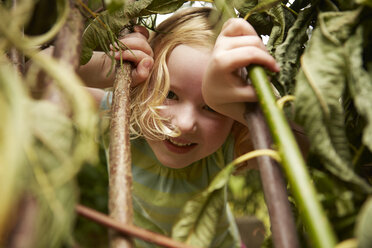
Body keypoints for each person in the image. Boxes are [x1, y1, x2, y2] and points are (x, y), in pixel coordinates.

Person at [79, 7, 279, 248]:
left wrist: (236, 105)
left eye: (212, 109)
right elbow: (26, 75)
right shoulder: (118, 116)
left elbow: (306, 149)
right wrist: (101, 68)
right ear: (143, 82)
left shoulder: (228, 147)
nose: (185, 124)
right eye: (170, 93)